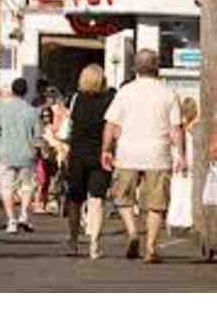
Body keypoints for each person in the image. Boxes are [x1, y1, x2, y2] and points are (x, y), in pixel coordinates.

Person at [102, 50, 185, 264]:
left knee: (122, 197)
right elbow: (176, 128)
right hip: (158, 153)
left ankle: (132, 232)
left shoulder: (125, 92)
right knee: (157, 203)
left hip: (128, 152)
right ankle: (150, 247)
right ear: (156, 67)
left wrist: (106, 150)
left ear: (135, 68)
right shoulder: (168, 93)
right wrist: (181, 155)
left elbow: (111, 123)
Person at [64, 64, 116, 259]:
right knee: (96, 200)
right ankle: (94, 243)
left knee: (75, 200)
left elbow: (69, 125)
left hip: (77, 153)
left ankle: (73, 241)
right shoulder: (109, 100)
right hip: (100, 153)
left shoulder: (76, 99)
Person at [0, 78, 42, 234]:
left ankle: (11, 220)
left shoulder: (2, 109)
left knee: (6, 187)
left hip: (6, 153)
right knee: (26, 186)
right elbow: (37, 136)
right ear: (26, 91)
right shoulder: (32, 111)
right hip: (26, 154)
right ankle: (23, 214)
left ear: (12, 90)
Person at [167, 97, 198, 233]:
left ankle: (173, 219)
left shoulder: (176, 127)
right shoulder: (192, 128)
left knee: (176, 192)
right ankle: (187, 220)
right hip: (188, 162)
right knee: (188, 193)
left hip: (177, 163)